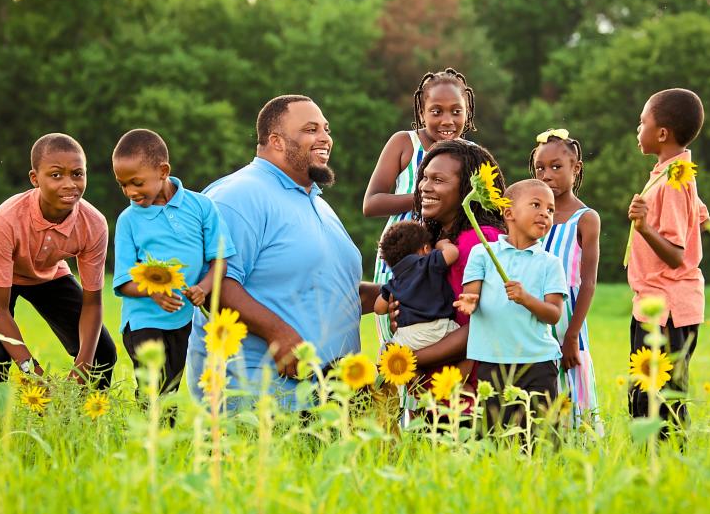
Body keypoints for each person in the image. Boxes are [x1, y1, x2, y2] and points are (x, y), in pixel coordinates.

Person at [185, 95, 379, 408]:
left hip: (329, 400)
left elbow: (322, 290)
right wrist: (278, 333)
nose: (325, 138)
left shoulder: (318, 203)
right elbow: (214, 284)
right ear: (276, 141)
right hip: (257, 397)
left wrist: (391, 295)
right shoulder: (238, 195)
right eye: (311, 129)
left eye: (326, 129)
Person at [0, 133, 116, 385]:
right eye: (56, 175)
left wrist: (83, 366)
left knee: (102, 354)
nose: (69, 184)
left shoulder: (94, 224)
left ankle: (79, 419)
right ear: (35, 178)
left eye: (77, 174)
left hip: (44, 269)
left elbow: (93, 304)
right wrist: (31, 369)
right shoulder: (8, 218)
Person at [111, 129, 235, 402]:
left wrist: (203, 288)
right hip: (142, 319)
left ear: (163, 171)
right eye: (123, 185)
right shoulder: (128, 220)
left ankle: (162, 441)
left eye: (137, 183)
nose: (130, 192)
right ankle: (149, 439)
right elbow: (123, 280)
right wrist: (151, 291)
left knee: (170, 388)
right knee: (153, 387)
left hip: (181, 319)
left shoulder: (201, 206)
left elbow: (220, 259)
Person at [386, 140, 506, 409]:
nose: (425, 187)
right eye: (425, 177)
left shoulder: (481, 241)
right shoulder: (435, 240)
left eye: (438, 180)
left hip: (473, 392)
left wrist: (411, 358)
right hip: (438, 391)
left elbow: (483, 325)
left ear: (466, 189)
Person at [363, 68, 476, 344]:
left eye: (456, 111)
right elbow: (371, 203)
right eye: (436, 111)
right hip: (403, 257)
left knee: (441, 333)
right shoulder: (405, 143)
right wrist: (427, 198)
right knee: (400, 338)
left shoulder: (470, 153)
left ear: (467, 111)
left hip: (447, 254)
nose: (447, 120)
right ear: (421, 112)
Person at [454, 180, 568, 433]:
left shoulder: (551, 263)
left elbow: (554, 314)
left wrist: (525, 298)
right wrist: (468, 302)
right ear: (508, 213)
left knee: (541, 436)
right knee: (495, 434)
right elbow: (471, 294)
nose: (545, 214)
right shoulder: (482, 252)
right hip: (492, 360)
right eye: (536, 205)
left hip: (537, 362)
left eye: (550, 210)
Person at [627, 88, 709, 434]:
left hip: (667, 309)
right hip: (656, 301)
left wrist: (644, 227)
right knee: (648, 392)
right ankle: (654, 464)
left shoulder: (674, 181)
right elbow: (701, 219)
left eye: (642, 121)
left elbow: (676, 255)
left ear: (662, 134)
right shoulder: (671, 173)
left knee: (660, 398)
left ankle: (664, 465)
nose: (638, 127)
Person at [530, 129, 603, 433]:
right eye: (540, 168)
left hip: (568, 319)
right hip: (534, 313)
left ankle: (580, 443)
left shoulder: (585, 219)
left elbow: (587, 282)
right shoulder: (530, 216)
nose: (547, 175)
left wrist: (572, 335)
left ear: (576, 168)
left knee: (572, 380)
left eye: (557, 167)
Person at [373, 220, 459, 350]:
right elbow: (453, 253)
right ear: (425, 249)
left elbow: (378, 308)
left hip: (408, 337)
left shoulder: (395, 281)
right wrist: (442, 245)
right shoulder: (428, 262)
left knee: (390, 351)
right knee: (468, 340)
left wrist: (390, 295)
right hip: (440, 331)